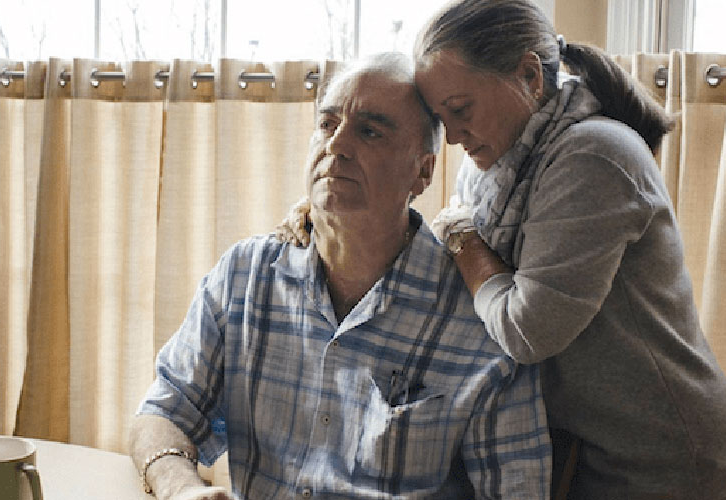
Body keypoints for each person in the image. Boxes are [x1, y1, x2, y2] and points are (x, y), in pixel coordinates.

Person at [276, 1, 726, 499]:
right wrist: (333, 215)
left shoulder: (594, 155)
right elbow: (456, 264)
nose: (453, 137)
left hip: (660, 447)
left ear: (529, 76)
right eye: (442, 118)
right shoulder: (496, 163)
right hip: (579, 441)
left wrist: (461, 236)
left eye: (461, 110)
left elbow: (524, 328)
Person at [130, 53, 551, 500]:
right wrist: (181, 489)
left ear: (423, 171)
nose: (337, 145)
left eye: (370, 131)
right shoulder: (244, 276)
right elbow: (164, 411)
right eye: (328, 124)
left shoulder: (480, 320)